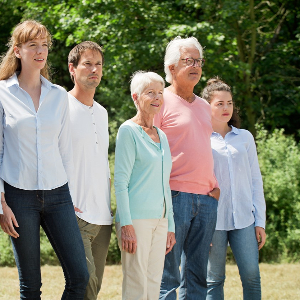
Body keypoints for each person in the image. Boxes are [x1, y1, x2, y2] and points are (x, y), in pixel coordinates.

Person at [0, 20, 89, 299]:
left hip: (58, 195)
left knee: (79, 276)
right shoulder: (2, 93)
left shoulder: (58, 95)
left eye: (44, 45)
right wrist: (0, 202)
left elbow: (64, 149)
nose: (40, 51)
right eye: (32, 45)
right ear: (17, 50)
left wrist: (70, 193)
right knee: (30, 287)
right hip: (18, 196)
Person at [154, 36, 220, 299]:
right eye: (188, 61)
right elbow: (147, 149)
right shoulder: (158, 101)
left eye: (199, 61)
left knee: (197, 276)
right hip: (173, 197)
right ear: (171, 68)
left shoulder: (205, 107)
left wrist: (214, 189)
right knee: (168, 276)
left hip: (206, 200)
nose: (196, 66)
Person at [202, 77, 266, 299]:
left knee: (252, 277)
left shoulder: (244, 137)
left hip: (245, 221)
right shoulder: (201, 139)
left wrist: (260, 221)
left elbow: (255, 180)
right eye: (219, 103)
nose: (226, 108)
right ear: (206, 106)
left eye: (229, 103)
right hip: (213, 222)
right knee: (214, 280)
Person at [114, 71, 176, 300]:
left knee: (153, 282)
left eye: (160, 92)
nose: (157, 97)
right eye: (150, 92)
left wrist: (170, 224)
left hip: (161, 221)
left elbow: (165, 183)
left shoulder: (162, 136)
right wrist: (126, 225)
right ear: (136, 97)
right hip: (136, 220)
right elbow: (120, 182)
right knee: (136, 283)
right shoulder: (128, 131)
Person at [67, 41, 113, 300]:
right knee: (84, 282)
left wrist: (108, 206)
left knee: (92, 289)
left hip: (102, 217)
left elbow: (102, 163)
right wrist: (64, 202)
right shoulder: (60, 105)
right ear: (72, 69)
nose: (94, 69)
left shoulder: (103, 112)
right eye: (87, 63)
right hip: (75, 214)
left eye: (98, 64)